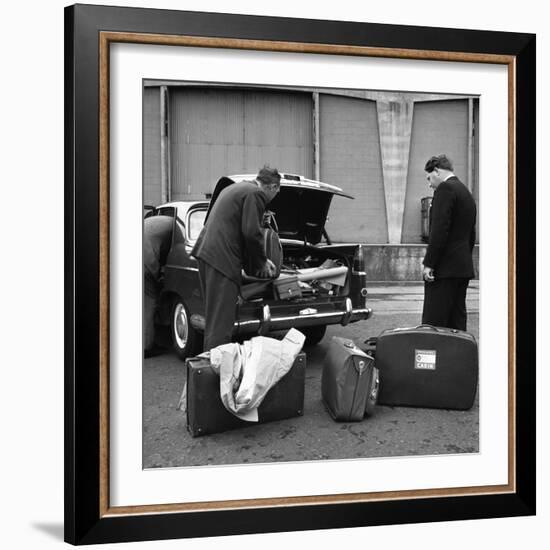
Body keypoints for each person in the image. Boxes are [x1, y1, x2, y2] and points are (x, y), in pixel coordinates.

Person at [191, 165, 281, 351]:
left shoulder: (235, 188)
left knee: (214, 319)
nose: (273, 198)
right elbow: (250, 233)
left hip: (207, 254)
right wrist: (261, 263)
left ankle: (211, 366)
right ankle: (215, 372)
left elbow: (237, 231)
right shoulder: (256, 194)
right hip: (221, 259)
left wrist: (252, 265)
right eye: (276, 193)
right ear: (272, 187)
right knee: (222, 323)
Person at [421, 155, 477, 331]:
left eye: (429, 178)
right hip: (462, 267)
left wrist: (429, 263)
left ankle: (437, 358)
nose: (429, 184)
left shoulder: (445, 189)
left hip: (444, 270)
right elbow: (471, 234)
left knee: (434, 323)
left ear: (437, 171)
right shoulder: (465, 192)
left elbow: (439, 231)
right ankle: (460, 356)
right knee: (457, 321)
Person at [143, 214, 174, 354]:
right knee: (149, 304)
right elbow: (169, 251)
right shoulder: (176, 225)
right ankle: (146, 347)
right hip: (145, 262)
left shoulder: (157, 221)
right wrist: (159, 277)